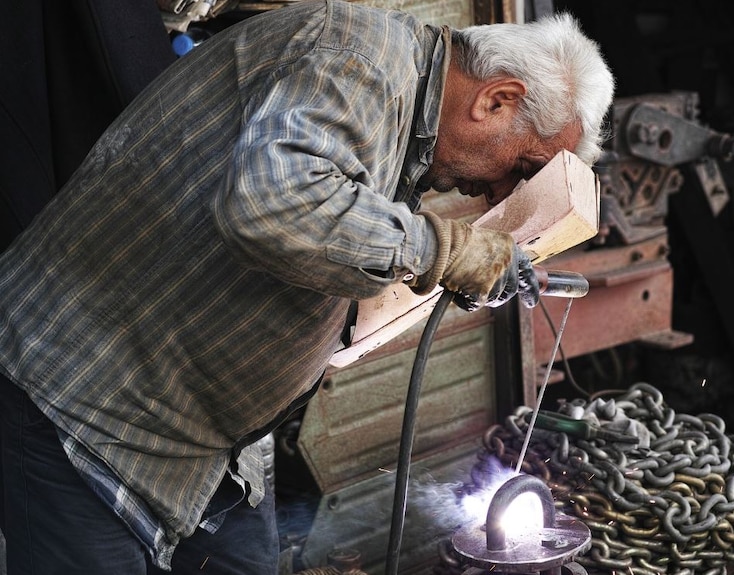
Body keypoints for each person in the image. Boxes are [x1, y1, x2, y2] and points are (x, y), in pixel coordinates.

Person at [0, 0, 614, 572]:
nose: (505, 192)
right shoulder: (356, 55)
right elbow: (272, 204)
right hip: (89, 411)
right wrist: (442, 248)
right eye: (524, 168)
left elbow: (319, 234)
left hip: (209, 454)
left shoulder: (402, 119)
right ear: (498, 100)